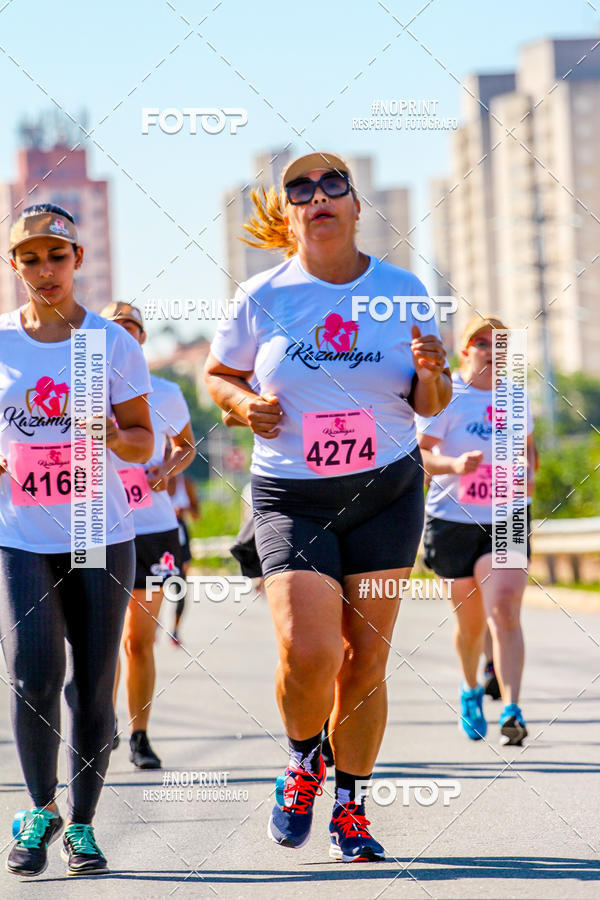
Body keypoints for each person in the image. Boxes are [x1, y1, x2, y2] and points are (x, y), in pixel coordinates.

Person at [204, 152, 451, 861]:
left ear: (354, 206)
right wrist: (246, 402)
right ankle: (301, 759)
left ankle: (351, 806)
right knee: (310, 652)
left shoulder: (402, 290)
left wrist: (434, 373)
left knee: (366, 660)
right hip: (293, 496)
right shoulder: (263, 295)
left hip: (387, 493)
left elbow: (428, 405)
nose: (317, 196)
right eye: (300, 189)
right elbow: (217, 374)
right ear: (290, 214)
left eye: (332, 184)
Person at [0, 204, 153, 877]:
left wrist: (111, 437)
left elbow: (145, 441)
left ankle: (83, 824)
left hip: (98, 530)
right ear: (14, 267)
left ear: (78, 261)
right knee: (35, 673)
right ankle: (39, 809)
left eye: (56, 256)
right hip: (20, 534)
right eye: (29, 258)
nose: (44, 270)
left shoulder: (112, 344)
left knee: (92, 685)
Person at [416, 314, 536, 746]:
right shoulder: (447, 398)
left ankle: (512, 710)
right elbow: (422, 457)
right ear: (465, 350)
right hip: (452, 521)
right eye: (481, 342)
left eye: (499, 344)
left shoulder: (517, 399)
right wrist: (455, 465)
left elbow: (529, 458)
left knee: (504, 611)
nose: (490, 349)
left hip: (507, 517)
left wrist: (524, 471)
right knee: (469, 626)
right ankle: (470, 689)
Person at [102, 303, 195, 768]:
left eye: (132, 331)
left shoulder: (168, 392)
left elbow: (186, 446)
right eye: (113, 330)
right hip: (97, 526)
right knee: (100, 639)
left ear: (140, 341)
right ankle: (101, 727)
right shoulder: (83, 393)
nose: (124, 338)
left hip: (155, 530)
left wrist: (167, 469)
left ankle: (139, 736)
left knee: (139, 639)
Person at [168, 472, 200, 645]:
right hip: (159, 541)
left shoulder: (185, 483)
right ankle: (152, 626)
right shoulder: (152, 476)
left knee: (180, 590)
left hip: (180, 542)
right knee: (153, 588)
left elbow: (197, 514)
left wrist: (184, 510)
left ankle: (175, 631)